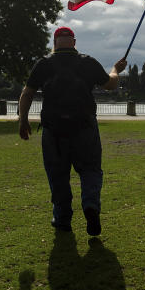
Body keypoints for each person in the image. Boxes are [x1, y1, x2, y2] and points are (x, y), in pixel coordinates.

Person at [18, 26, 127, 236]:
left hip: (54, 130)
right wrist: (115, 69)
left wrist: (23, 120)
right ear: (74, 42)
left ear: (55, 42)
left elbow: (27, 93)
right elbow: (111, 85)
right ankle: (91, 206)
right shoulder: (88, 62)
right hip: (85, 128)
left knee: (57, 175)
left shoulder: (44, 64)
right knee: (91, 170)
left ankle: (62, 219)